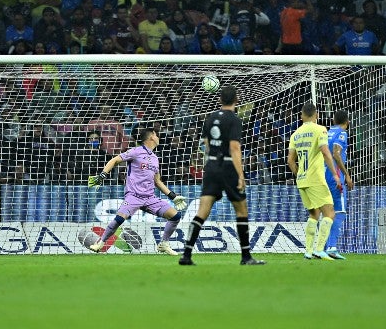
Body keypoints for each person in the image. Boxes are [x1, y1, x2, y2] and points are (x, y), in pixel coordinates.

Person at [179, 86, 265, 266]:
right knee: (241, 210)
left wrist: (212, 160)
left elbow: (206, 143)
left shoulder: (211, 118)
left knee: (202, 211)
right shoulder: (234, 119)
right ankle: (246, 256)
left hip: (211, 165)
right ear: (237, 100)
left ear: (220, 100)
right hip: (227, 166)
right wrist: (241, 175)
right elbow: (234, 147)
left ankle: (186, 255)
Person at [88, 128, 188, 255]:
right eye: (156, 134)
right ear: (151, 136)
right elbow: (115, 160)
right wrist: (103, 175)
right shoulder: (136, 151)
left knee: (175, 216)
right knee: (119, 219)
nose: (158, 137)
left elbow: (157, 181)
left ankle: (163, 244)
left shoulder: (155, 158)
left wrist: (172, 196)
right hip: (133, 196)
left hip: (150, 197)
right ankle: (100, 243)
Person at [287, 102, 341, 261]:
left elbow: (290, 160)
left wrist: (299, 175)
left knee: (314, 214)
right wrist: (335, 174)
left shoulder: (295, 134)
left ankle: (308, 251)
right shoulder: (320, 129)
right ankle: (319, 249)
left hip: (302, 180)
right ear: (316, 114)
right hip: (316, 179)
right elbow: (325, 152)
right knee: (330, 213)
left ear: (302, 115)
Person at [324, 110, 354, 260]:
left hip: (322, 175)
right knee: (339, 212)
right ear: (347, 122)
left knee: (326, 212)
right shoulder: (342, 133)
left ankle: (321, 248)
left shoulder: (327, 132)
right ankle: (332, 247)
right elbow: (336, 153)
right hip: (335, 177)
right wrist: (346, 174)